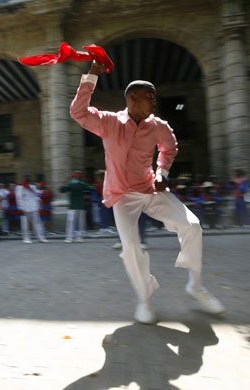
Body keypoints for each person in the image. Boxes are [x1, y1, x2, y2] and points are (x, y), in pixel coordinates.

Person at [70, 60, 224, 324]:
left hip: (151, 190)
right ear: (132, 99)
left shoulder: (159, 126)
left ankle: (195, 287)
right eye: (149, 97)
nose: (154, 102)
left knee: (193, 226)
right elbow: (79, 112)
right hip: (122, 195)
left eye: (155, 97)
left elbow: (170, 148)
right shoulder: (108, 122)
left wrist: (161, 173)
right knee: (131, 248)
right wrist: (91, 76)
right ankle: (145, 299)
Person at [60, 171, 94, 243]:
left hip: (73, 206)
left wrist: (63, 184)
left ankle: (69, 238)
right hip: (81, 205)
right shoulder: (82, 184)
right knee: (80, 222)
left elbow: (62, 190)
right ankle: (79, 237)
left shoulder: (71, 184)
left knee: (71, 222)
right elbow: (92, 188)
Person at [15, 175, 47, 243]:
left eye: (29, 177)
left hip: (33, 206)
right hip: (25, 207)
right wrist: (21, 207)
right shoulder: (20, 187)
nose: (28, 179)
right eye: (26, 177)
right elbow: (19, 198)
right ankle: (26, 238)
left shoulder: (33, 186)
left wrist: (39, 205)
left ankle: (39, 237)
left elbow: (35, 195)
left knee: (37, 223)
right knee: (25, 223)